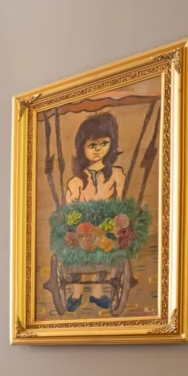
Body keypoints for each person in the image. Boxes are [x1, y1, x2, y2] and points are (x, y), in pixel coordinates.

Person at [62, 112, 124, 310]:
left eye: (104, 143)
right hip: (83, 224)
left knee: (108, 241)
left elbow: (120, 202)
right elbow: (71, 208)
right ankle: (77, 290)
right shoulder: (76, 181)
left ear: (111, 144)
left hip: (107, 222)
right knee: (81, 241)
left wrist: (116, 222)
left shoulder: (116, 174)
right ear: (83, 149)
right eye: (92, 145)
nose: (98, 150)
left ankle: (97, 292)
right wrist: (82, 224)